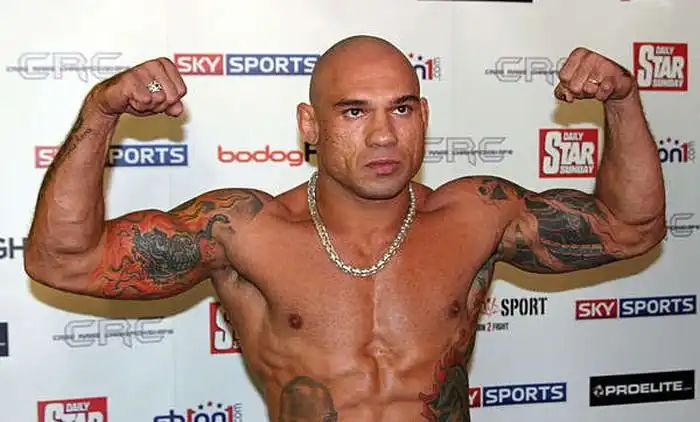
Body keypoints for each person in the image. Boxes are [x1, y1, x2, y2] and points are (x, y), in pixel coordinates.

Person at [24, 35, 666, 421]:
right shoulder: (245, 230)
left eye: (401, 109)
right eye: (354, 112)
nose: (384, 135)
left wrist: (623, 100)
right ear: (310, 125)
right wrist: (100, 112)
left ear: (424, 117)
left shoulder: (475, 214)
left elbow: (631, 228)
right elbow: (63, 261)